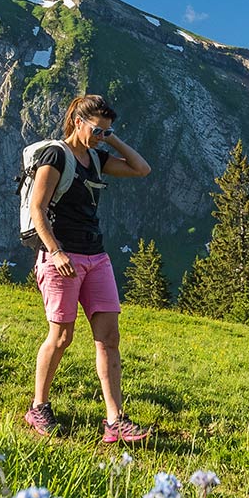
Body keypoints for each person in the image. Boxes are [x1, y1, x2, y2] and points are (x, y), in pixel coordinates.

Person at [22, 94, 153, 442]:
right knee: (61, 336)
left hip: (96, 256)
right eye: (97, 129)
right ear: (77, 122)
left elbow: (141, 169)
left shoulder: (97, 157)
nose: (102, 136)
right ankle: (39, 407)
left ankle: (115, 421)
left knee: (109, 338)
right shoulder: (55, 155)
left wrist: (110, 138)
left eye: (107, 130)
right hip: (62, 258)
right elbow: (37, 207)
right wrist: (56, 252)